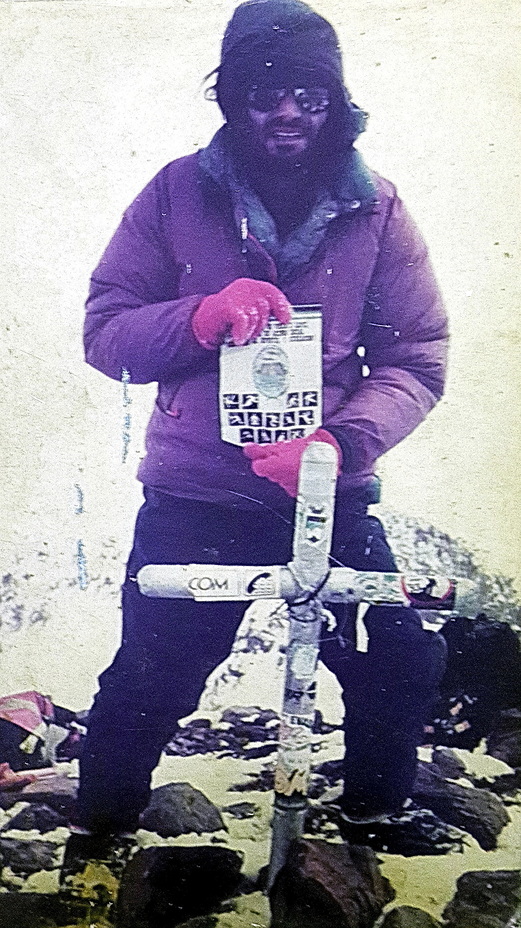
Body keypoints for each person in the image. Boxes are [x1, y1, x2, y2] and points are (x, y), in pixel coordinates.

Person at [65, 0, 449, 875]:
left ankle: (375, 821)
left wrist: (340, 446)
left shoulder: (377, 209)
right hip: (195, 495)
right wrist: (196, 317)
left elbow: (418, 355)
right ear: (232, 100)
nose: (286, 113)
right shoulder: (172, 192)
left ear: (334, 102)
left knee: (395, 656)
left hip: (325, 494)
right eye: (265, 92)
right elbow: (105, 331)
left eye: (308, 95)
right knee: (149, 677)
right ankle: (98, 829)